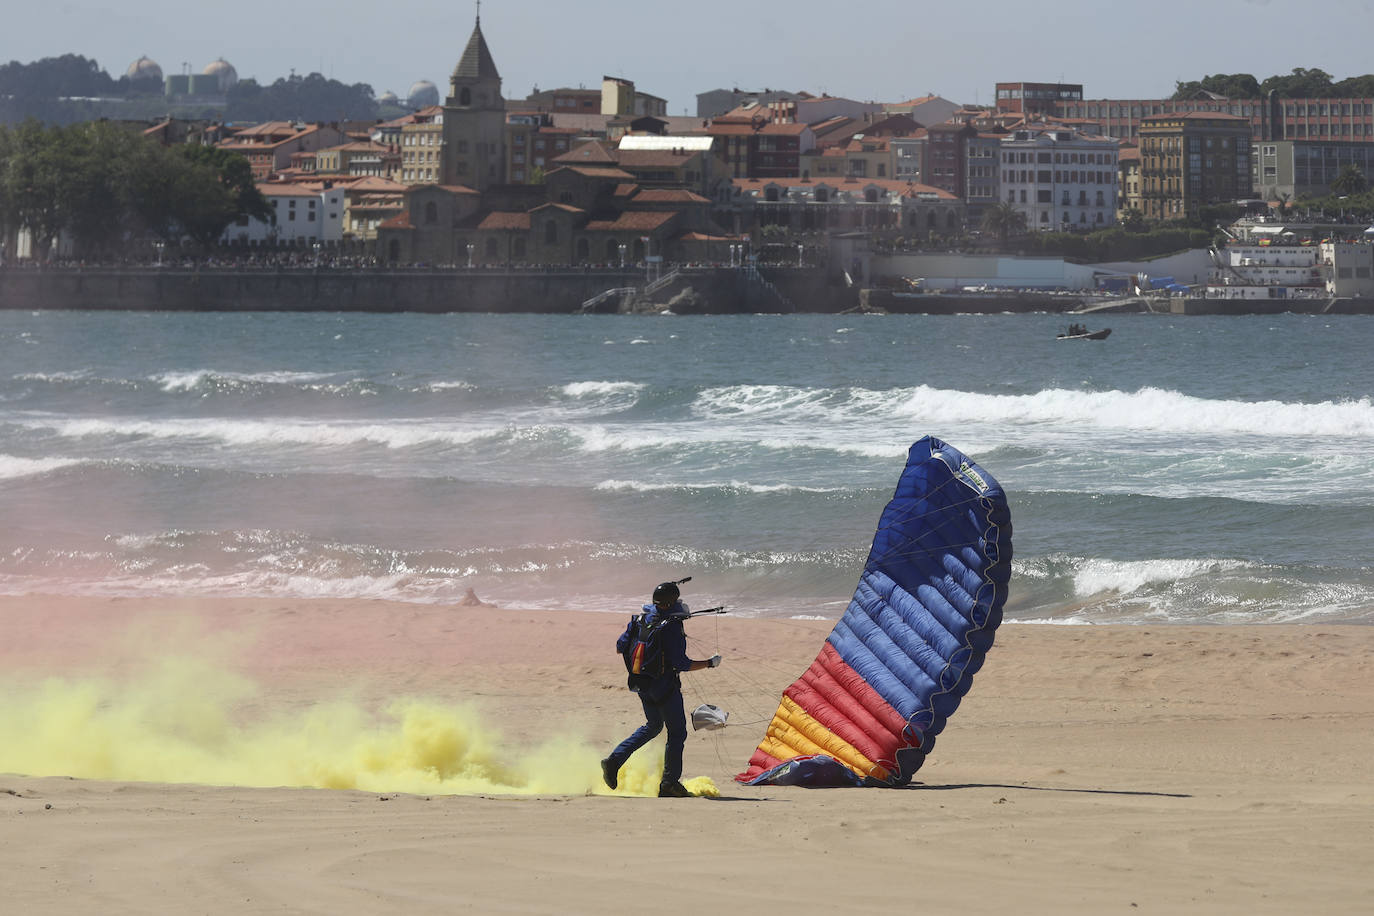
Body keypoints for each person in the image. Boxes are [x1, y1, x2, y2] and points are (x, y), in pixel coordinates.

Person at [601, 581, 722, 797]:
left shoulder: (639, 619)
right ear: (670, 603)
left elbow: (621, 647)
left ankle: (613, 761)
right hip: (663, 687)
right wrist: (709, 663)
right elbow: (682, 664)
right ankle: (669, 783)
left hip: (641, 684)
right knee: (677, 732)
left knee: (654, 725)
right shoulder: (671, 626)